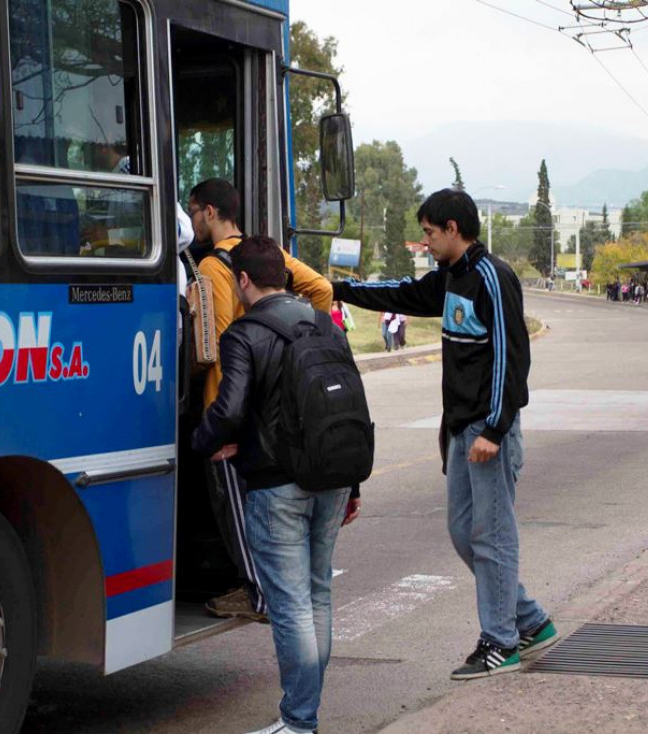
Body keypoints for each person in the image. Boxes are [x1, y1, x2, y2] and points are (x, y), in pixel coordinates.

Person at [333, 189, 558, 680]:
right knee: (463, 533)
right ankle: (530, 620)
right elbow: (403, 294)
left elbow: (511, 359)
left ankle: (501, 641)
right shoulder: (450, 277)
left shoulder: (492, 278)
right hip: (459, 430)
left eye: (431, 233)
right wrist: (339, 291)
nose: (426, 242)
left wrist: (495, 429)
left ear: (454, 229)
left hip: (486, 430)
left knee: (492, 536)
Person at [192, 236, 362, 734]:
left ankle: (299, 720)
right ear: (284, 276)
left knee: (290, 605)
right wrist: (352, 487)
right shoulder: (326, 325)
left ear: (242, 280)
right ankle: (305, 710)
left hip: (276, 485)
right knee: (317, 596)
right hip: (331, 477)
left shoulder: (245, 332)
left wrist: (202, 441)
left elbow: (230, 407)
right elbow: (347, 404)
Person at [189, 178, 333, 622]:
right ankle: (264, 586)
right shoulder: (268, 256)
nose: (192, 220)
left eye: (193, 211)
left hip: (227, 401)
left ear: (210, 212)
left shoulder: (213, 267)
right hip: (271, 407)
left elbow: (212, 347)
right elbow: (323, 290)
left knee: (233, 505)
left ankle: (259, 593)